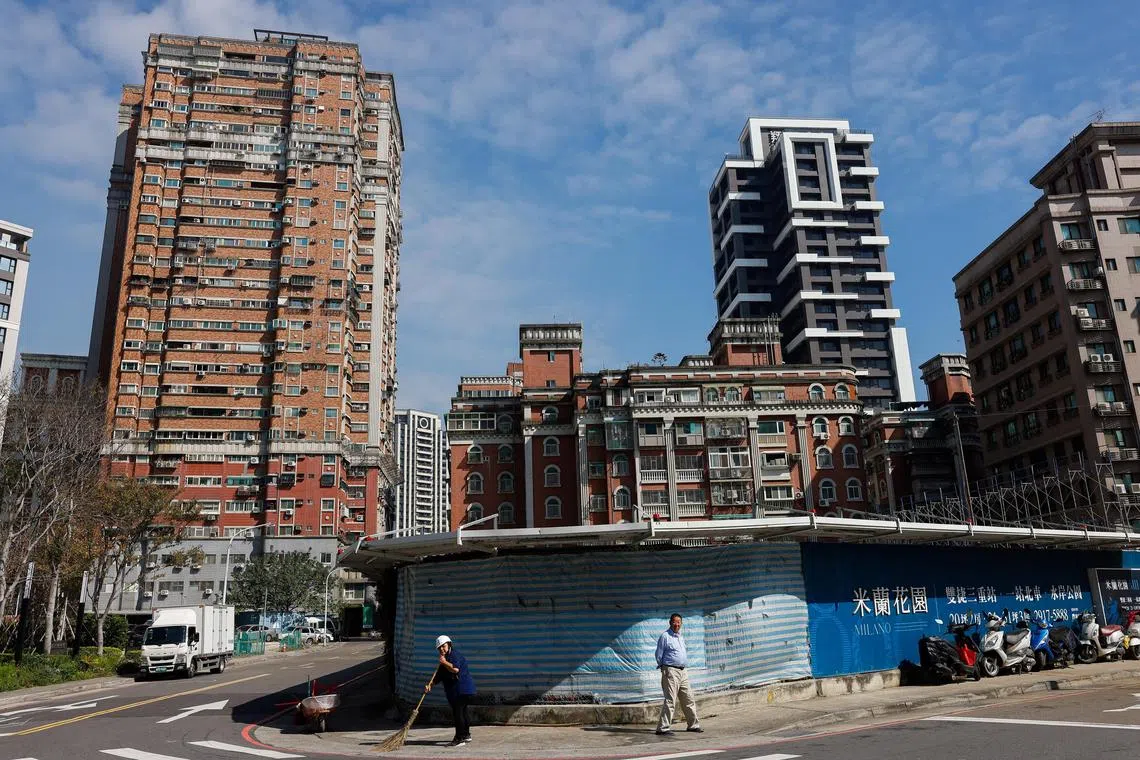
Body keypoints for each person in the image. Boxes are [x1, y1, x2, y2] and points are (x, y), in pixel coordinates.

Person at [654, 613, 701, 735]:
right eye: (675, 622)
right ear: (670, 623)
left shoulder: (680, 636)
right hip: (671, 671)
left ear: (681, 623)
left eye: (679, 622)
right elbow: (658, 655)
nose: (677, 624)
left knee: (688, 698)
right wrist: (664, 668)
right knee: (670, 700)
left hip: (683, 671)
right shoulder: (665, 636)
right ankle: (663, 728)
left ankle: (693, 725)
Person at [425, 634, 476, 746]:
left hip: (461, 690)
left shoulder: (453, 655)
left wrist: (444, 662)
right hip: (461, 691)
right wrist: (430, 685)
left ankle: (459, 738)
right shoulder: (445, 658)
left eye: (444, 646)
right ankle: (466, 735)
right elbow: (439, 676)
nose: (442, 649)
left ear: (449, 644)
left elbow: (455, 669)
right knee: (463, 712)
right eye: (439, 648)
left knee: (458, 713)